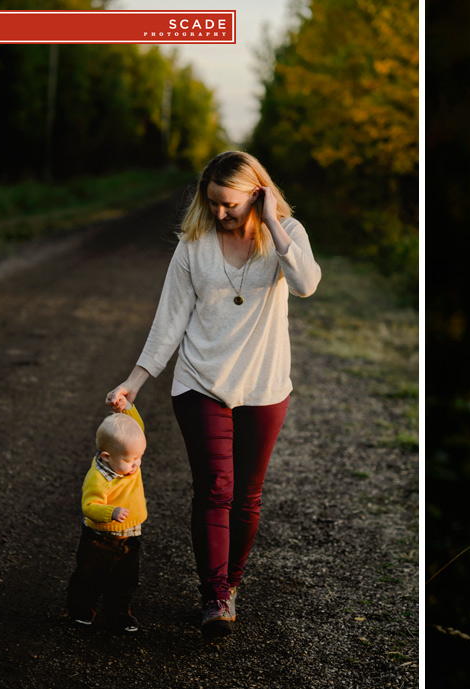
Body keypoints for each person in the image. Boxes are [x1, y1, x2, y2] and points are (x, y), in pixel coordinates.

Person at [106, 151, 321, 639]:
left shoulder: (289, 235)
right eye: (214, 203)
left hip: (265, 386)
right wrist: (134, 381)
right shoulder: (194, 245)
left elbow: (307, 284)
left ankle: (231, 585)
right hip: (200, 381)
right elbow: (169, 322)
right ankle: (214, 596)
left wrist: (272, 220)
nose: (220, 213)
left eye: (230, 204)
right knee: (215, 490)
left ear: (257, 193)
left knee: (247, 496)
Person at [67, 405, 148, 633]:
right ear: (106, 457)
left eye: (139, 457)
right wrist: (110, 512)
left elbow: (137, 430)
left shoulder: (128, 463)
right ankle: (82, 611)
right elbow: (89, 506)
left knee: (124, 581)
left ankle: (120, 616)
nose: (136, 465)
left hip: (130, 536)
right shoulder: (99, 478)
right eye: (131, 460)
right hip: (99, 539)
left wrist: (127, 408)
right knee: (89, 577)